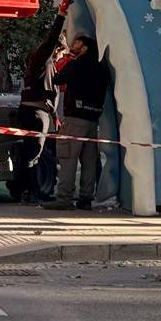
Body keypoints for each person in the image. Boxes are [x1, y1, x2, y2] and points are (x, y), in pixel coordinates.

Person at [9, 0, 71, 205]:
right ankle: (32, 192)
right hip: (37, 113)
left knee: (27, 153)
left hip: (33, 111)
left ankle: (20, 189)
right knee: (34, 154)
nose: (62, 58)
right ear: (58, 50)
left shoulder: (39, 67)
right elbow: (51, 39)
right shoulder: (43, 60)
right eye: (62, 54)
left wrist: (54, 116)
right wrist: (61, 14)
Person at [45, 33, 111, 211]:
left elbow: (58, 79)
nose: (72, 44)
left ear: (85, 48)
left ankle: (64, 198)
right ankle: (85, 199)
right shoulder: (102, 69)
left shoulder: (76, 65)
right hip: (93, 120)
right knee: (89, 160)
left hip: (75, 119)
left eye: (77, 42)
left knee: (68, 157)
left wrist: (65, 60)